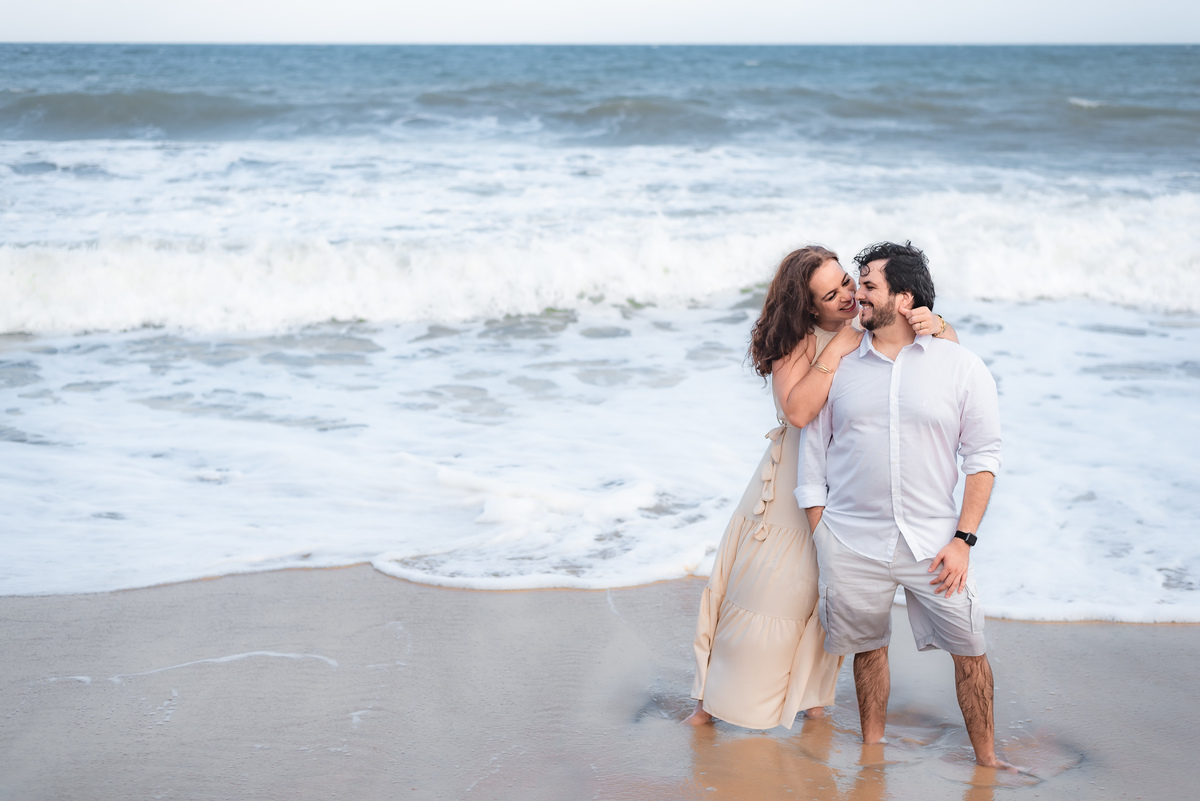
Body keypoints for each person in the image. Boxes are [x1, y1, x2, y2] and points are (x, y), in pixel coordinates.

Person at [685, 245, 956, 729]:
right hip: (792, 490)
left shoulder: (872, 323)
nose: (849, 298)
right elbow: (797, 412)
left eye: (849, 284)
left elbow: (944, 362)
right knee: (767, 594)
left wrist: (939, 326)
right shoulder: (801, 340)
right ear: (809, 306)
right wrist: (836, 347)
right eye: (832, 296)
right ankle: (712, 707)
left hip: (851, 486)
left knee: (830, 596)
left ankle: (812, 701)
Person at [796, 241, 1008, 768]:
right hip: (850, 539)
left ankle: (987, 760)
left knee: (970, 648)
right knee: (868, 649)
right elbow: (814, 453)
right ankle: (873, 751)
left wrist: (963, 541)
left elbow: (982, 456)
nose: (854, 296)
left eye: (867, 285)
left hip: (936, 545)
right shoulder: (840, 365)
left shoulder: (960, 366)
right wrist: (822, 528)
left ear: (904, 296)